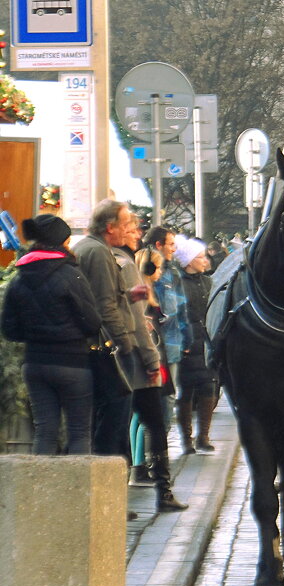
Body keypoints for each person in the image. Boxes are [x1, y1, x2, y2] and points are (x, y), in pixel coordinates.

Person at [1, 214, 101, 455]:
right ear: (61, 243)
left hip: (34, 363)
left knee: (45, 429)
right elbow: (93, 322)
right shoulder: (71, 275)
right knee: (79, 431)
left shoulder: (19, 278)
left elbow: (9, 328)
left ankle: (39, 491)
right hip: (72, 363)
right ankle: (77, 492)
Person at [119, 219, 187, 512]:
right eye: (131, 229)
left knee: (151, 422)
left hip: (147, 357)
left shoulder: (126, 265)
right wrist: (150, 359)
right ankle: (157, 488)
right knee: (152, 421)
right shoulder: (128, 271)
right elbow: (139, 324)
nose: (137, 235)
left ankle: (160, 489)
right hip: (144, 359)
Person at [73, 199, 137, 458]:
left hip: (98, 346)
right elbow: (105, 303)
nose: (127, 230)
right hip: (108, 348)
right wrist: (125, 342)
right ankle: (106, 477)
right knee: (114, 415)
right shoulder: (98, 252)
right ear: (109, 227)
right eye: (124, 225)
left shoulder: (88, 247)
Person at [144, 226, 192, 451]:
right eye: (171, 244)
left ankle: (159, 448)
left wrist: (186, 335)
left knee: (168, 396)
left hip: (171, 343)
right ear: (158, 245)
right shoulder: (145, 269)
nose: (174, 248)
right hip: (153, 344)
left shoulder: (173, 272)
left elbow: (181, 308)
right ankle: (150, 451)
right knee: (156, 398)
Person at [176, 237, 218, 452]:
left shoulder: (208, 282)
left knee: (209, 387)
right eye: (200, 257)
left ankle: (203, 436)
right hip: (188, 342)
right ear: (189, 261)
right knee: (186, 390)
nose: (205, 261)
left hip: (206, 340)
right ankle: (186, 438)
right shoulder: (179, 282)